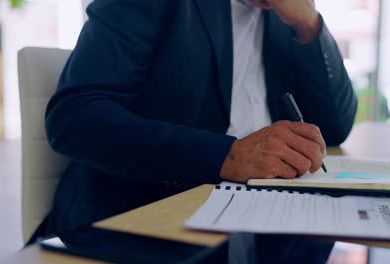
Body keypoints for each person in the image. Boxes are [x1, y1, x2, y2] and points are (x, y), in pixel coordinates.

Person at [39, 0, 357, 254]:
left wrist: (309, 24)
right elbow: (74, 118)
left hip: (265, 219)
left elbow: (335, 126)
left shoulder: (284, 14)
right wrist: (228, 157)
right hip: (141, 219)